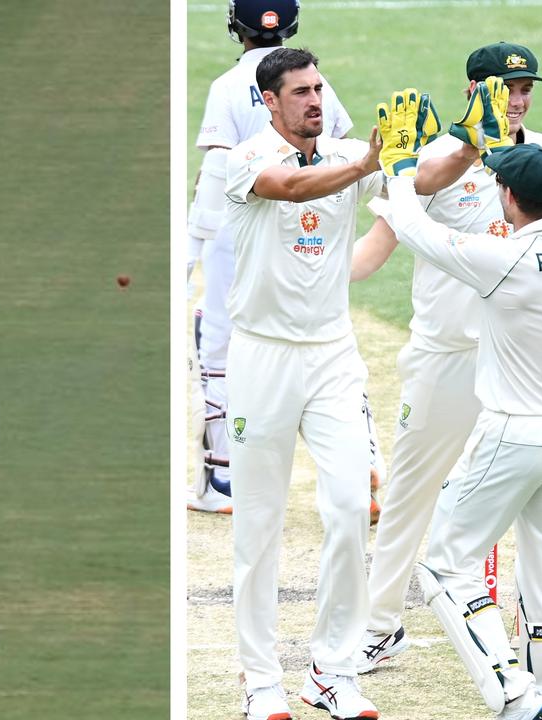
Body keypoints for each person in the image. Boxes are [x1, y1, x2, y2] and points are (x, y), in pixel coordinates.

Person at [351, 42, 542, 695]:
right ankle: (380, 627)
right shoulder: (439, 151)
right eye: (506, 87)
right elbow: (405, 207)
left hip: (517, 362)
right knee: (412, 491)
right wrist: (465, 151)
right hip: (447, 354)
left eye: (526, 87)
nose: (519, 98)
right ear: (476, 89)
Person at [224, 47, 385, 720]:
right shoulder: (244, 160)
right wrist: (367, 164)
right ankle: (261, 681)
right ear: (270, 100)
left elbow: (422, 183)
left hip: (332, 356)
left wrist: (467, 140)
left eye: (320, 88)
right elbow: (291, 189)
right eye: (301, 92)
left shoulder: (347, 155)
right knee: (258, 524)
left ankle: (334, 672)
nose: (316, 100)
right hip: (261, 357)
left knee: (349, 509)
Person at [187, 0, 357, 515]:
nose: (311, 97)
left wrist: (191, 251)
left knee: (217, 342)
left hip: (237, 234)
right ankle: (363, 456)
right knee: (330, 344)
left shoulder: (225, 86)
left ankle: (222, 476)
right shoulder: (314, 78)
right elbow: (340, 148)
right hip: (308, 236)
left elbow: (217, 171)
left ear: (235, 26)